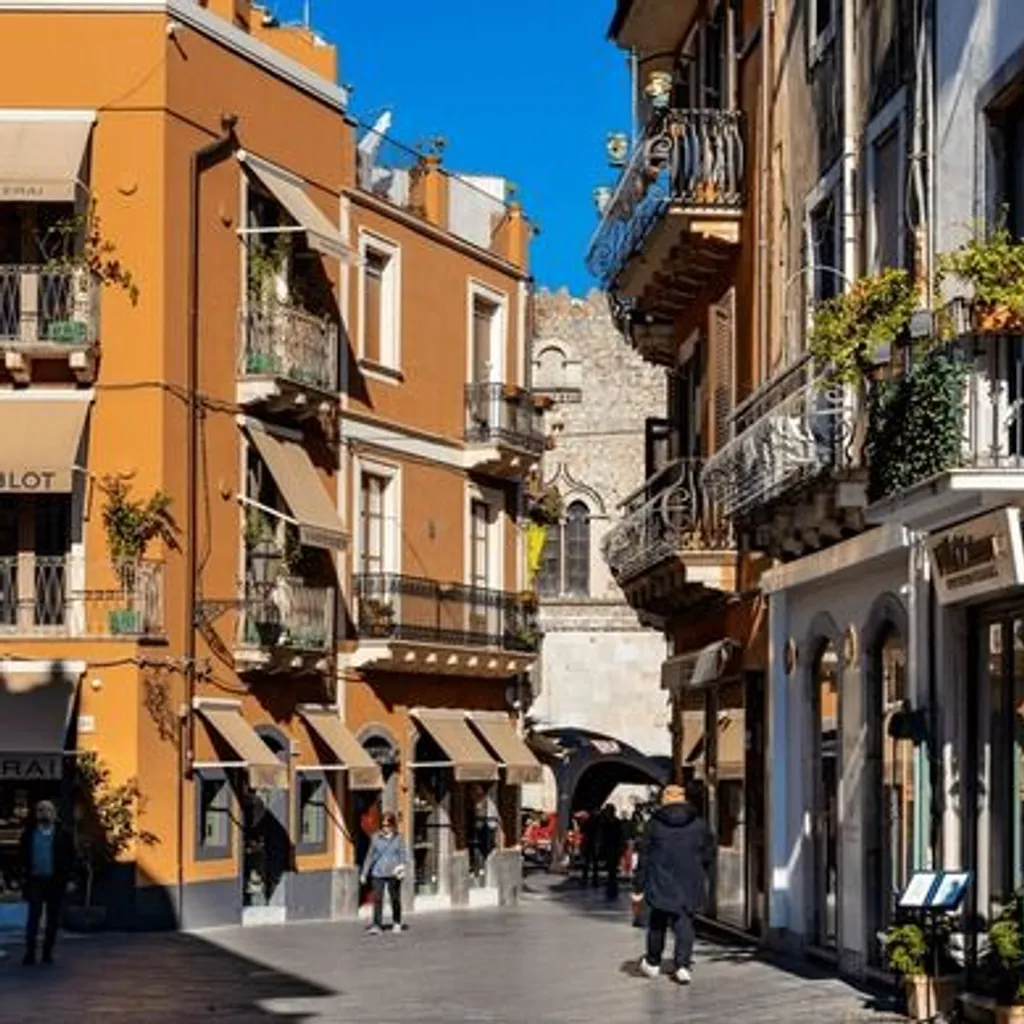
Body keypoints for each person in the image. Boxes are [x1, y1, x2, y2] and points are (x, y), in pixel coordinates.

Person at [631, 784, 714, 985]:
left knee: (657, 921)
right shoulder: (699, 824)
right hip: (689, 879)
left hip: (660, 879)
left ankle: (653, 962)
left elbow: (644, 857)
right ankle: (682, 966)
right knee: (684, 922)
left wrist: (638, 886)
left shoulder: (653, 824)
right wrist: (701, 872)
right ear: (684, 799)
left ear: (664, 800)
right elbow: (709, 853)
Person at [19, 799, 75, 966]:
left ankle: (47, 953)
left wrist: (71, 879)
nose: (45, 813)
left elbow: (71, 858)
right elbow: (21, 856)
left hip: (55, 881)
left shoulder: (63, 834)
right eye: (41, 810)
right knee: (33, 917)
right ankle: (30, 953)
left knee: (53, 918)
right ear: (36, 814)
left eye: (48, 810)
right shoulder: (29, 834)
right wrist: (22, 877)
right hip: (35, 880)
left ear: (54, 814)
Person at [360, 811, 409, 935]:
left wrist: (401, 866)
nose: (385, 828)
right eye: (383, 825)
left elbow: (403, 855)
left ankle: (397, 922)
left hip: (394, 873)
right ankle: (377, 925)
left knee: (395, 898)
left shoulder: (398, 838)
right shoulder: (375, 837)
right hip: (378, 872)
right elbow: (370, 856)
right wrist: (364, 873)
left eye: (388, 825)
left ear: (393, 825)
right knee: (377, 899)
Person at [596, 804, 625, 900]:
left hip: (612, 849)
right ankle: (612, 888)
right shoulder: (613, 822)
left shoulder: (607, 823)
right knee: (612, 870)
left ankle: (612, 888)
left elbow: (602, 837)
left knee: (612, 870)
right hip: (613, 849)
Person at [580, 809, 600, 887]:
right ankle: (595, 880)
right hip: (595, 843)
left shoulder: (587, 821)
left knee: (587, 862)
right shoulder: (599, 823)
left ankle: (585, 879)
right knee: (595, 863)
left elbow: (582, 830)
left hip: (588, 842)